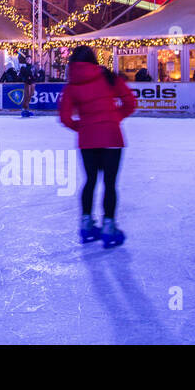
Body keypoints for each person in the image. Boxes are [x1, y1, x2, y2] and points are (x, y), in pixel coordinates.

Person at [58, 46, 137, 249]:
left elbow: (65, 117)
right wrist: (113, 118)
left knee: (90, 180)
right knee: (110, 183)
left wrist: (83, 126)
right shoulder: (109, 78)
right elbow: (130, 102)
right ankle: (109, 226)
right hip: (111, 137)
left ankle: (86, 224)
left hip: (87, 139)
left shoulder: (72, 85)